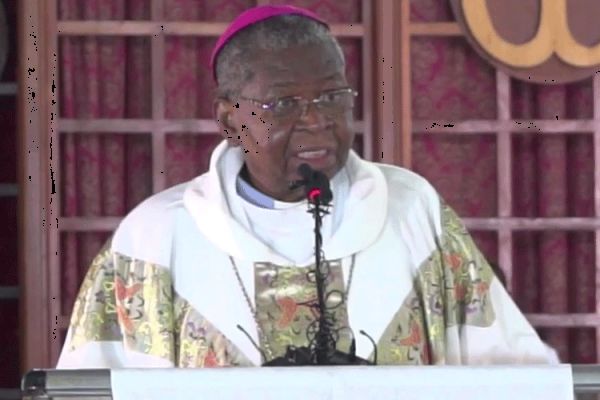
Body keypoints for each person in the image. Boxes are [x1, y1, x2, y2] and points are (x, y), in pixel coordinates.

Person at [57, 4, 556, 368]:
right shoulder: (156, 238)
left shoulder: (409, 210)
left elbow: (510, 370)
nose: (316, 120)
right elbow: (94, 384)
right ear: (229, 119)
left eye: (332, 96)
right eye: (284, 104)